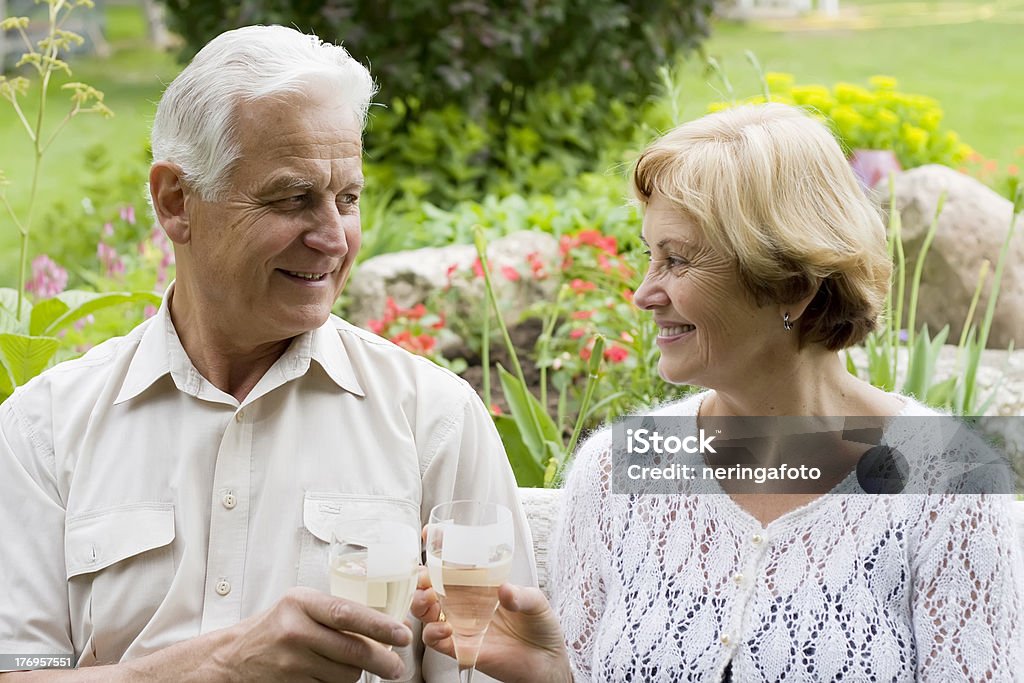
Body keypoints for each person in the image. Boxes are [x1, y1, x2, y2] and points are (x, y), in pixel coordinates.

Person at [413, 103, 1024, 681]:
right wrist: (555, 674)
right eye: (649, 255)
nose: (644, 294)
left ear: (791, 285)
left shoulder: (950, 482)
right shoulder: (618, 467)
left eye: (677, 262)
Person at [0, 25, 536, 682]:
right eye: (292, 199)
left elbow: (496, 667)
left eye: (348, 198)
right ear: (176, 201)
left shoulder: (435, 419)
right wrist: (219, 663)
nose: (334, 239)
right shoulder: (44, 428)